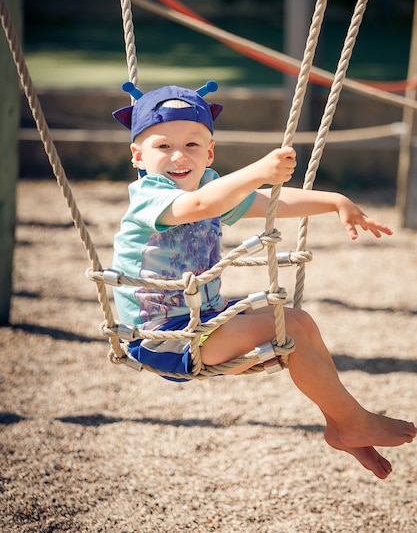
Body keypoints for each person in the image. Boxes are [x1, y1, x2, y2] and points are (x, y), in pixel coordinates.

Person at [111, 81, 416, 479]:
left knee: (300, 322)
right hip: (163, 339)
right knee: (285, 326)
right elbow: (201, 205)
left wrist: (334, 201)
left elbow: (272, 203)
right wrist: (258, 171)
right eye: (163, 146)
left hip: (203, 323)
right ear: (138, 155)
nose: (177, 156)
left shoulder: (209, 187)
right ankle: (354, 420)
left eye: (191, 145)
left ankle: (342, 424)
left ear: (210, 153)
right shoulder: (151, 195)